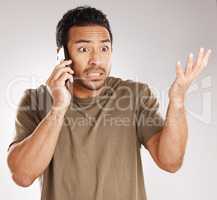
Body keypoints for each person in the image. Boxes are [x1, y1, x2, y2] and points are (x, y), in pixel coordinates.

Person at [7, 6, 212, 200]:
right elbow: (23, 176)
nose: (96, 60)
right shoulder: (35, 101)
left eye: (104, 48)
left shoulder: (134, 95)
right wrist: (58, 108)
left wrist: (177, 102)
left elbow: (170, 162)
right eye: (84, 49)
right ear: (62, 55)